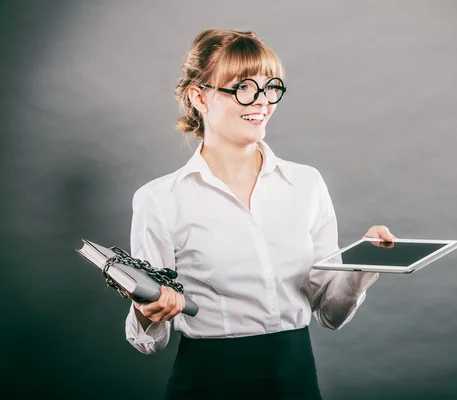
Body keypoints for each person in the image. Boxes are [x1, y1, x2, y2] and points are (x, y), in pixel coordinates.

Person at [125, 28, 396, 400]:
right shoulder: (159, 200)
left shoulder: (306, 184)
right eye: (244, 88)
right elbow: (147, 342)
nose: (262, 102)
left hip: (296, 379)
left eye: (271, 87)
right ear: (199, 97)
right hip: (207, 383)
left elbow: (330, 315)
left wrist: (362, 265)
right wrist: (147, 310)